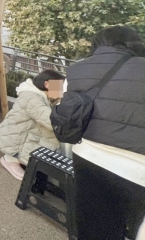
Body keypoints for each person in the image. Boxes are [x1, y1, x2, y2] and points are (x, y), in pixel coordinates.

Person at [61, 26, 145, 240]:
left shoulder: (77, 69)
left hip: (88, 155)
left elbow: (66, 108)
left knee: (94, 227)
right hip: (139, 169)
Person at [0, 69, 65, 180]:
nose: (62, 91)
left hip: (17, 135)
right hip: (14, 140)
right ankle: (11, 159)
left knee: (51, 140)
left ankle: (21, 158)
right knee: (51, 143)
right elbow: (50, 120)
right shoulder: (33, 99)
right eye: (60, 87)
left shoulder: (37, 95)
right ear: (47, 84)